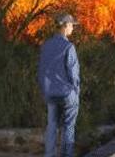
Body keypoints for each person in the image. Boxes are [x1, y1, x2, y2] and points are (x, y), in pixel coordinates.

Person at [37, 13, 81, 157]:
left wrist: (45, 90)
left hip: (50, 93)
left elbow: (41, 70)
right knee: (68, 127)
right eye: (72, 25)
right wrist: (76, 92)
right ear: (66, 26)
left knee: (52, 126)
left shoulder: (46, 46)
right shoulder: (69, 47)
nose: (73, 28)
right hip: (66, 93)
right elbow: (73, 74)